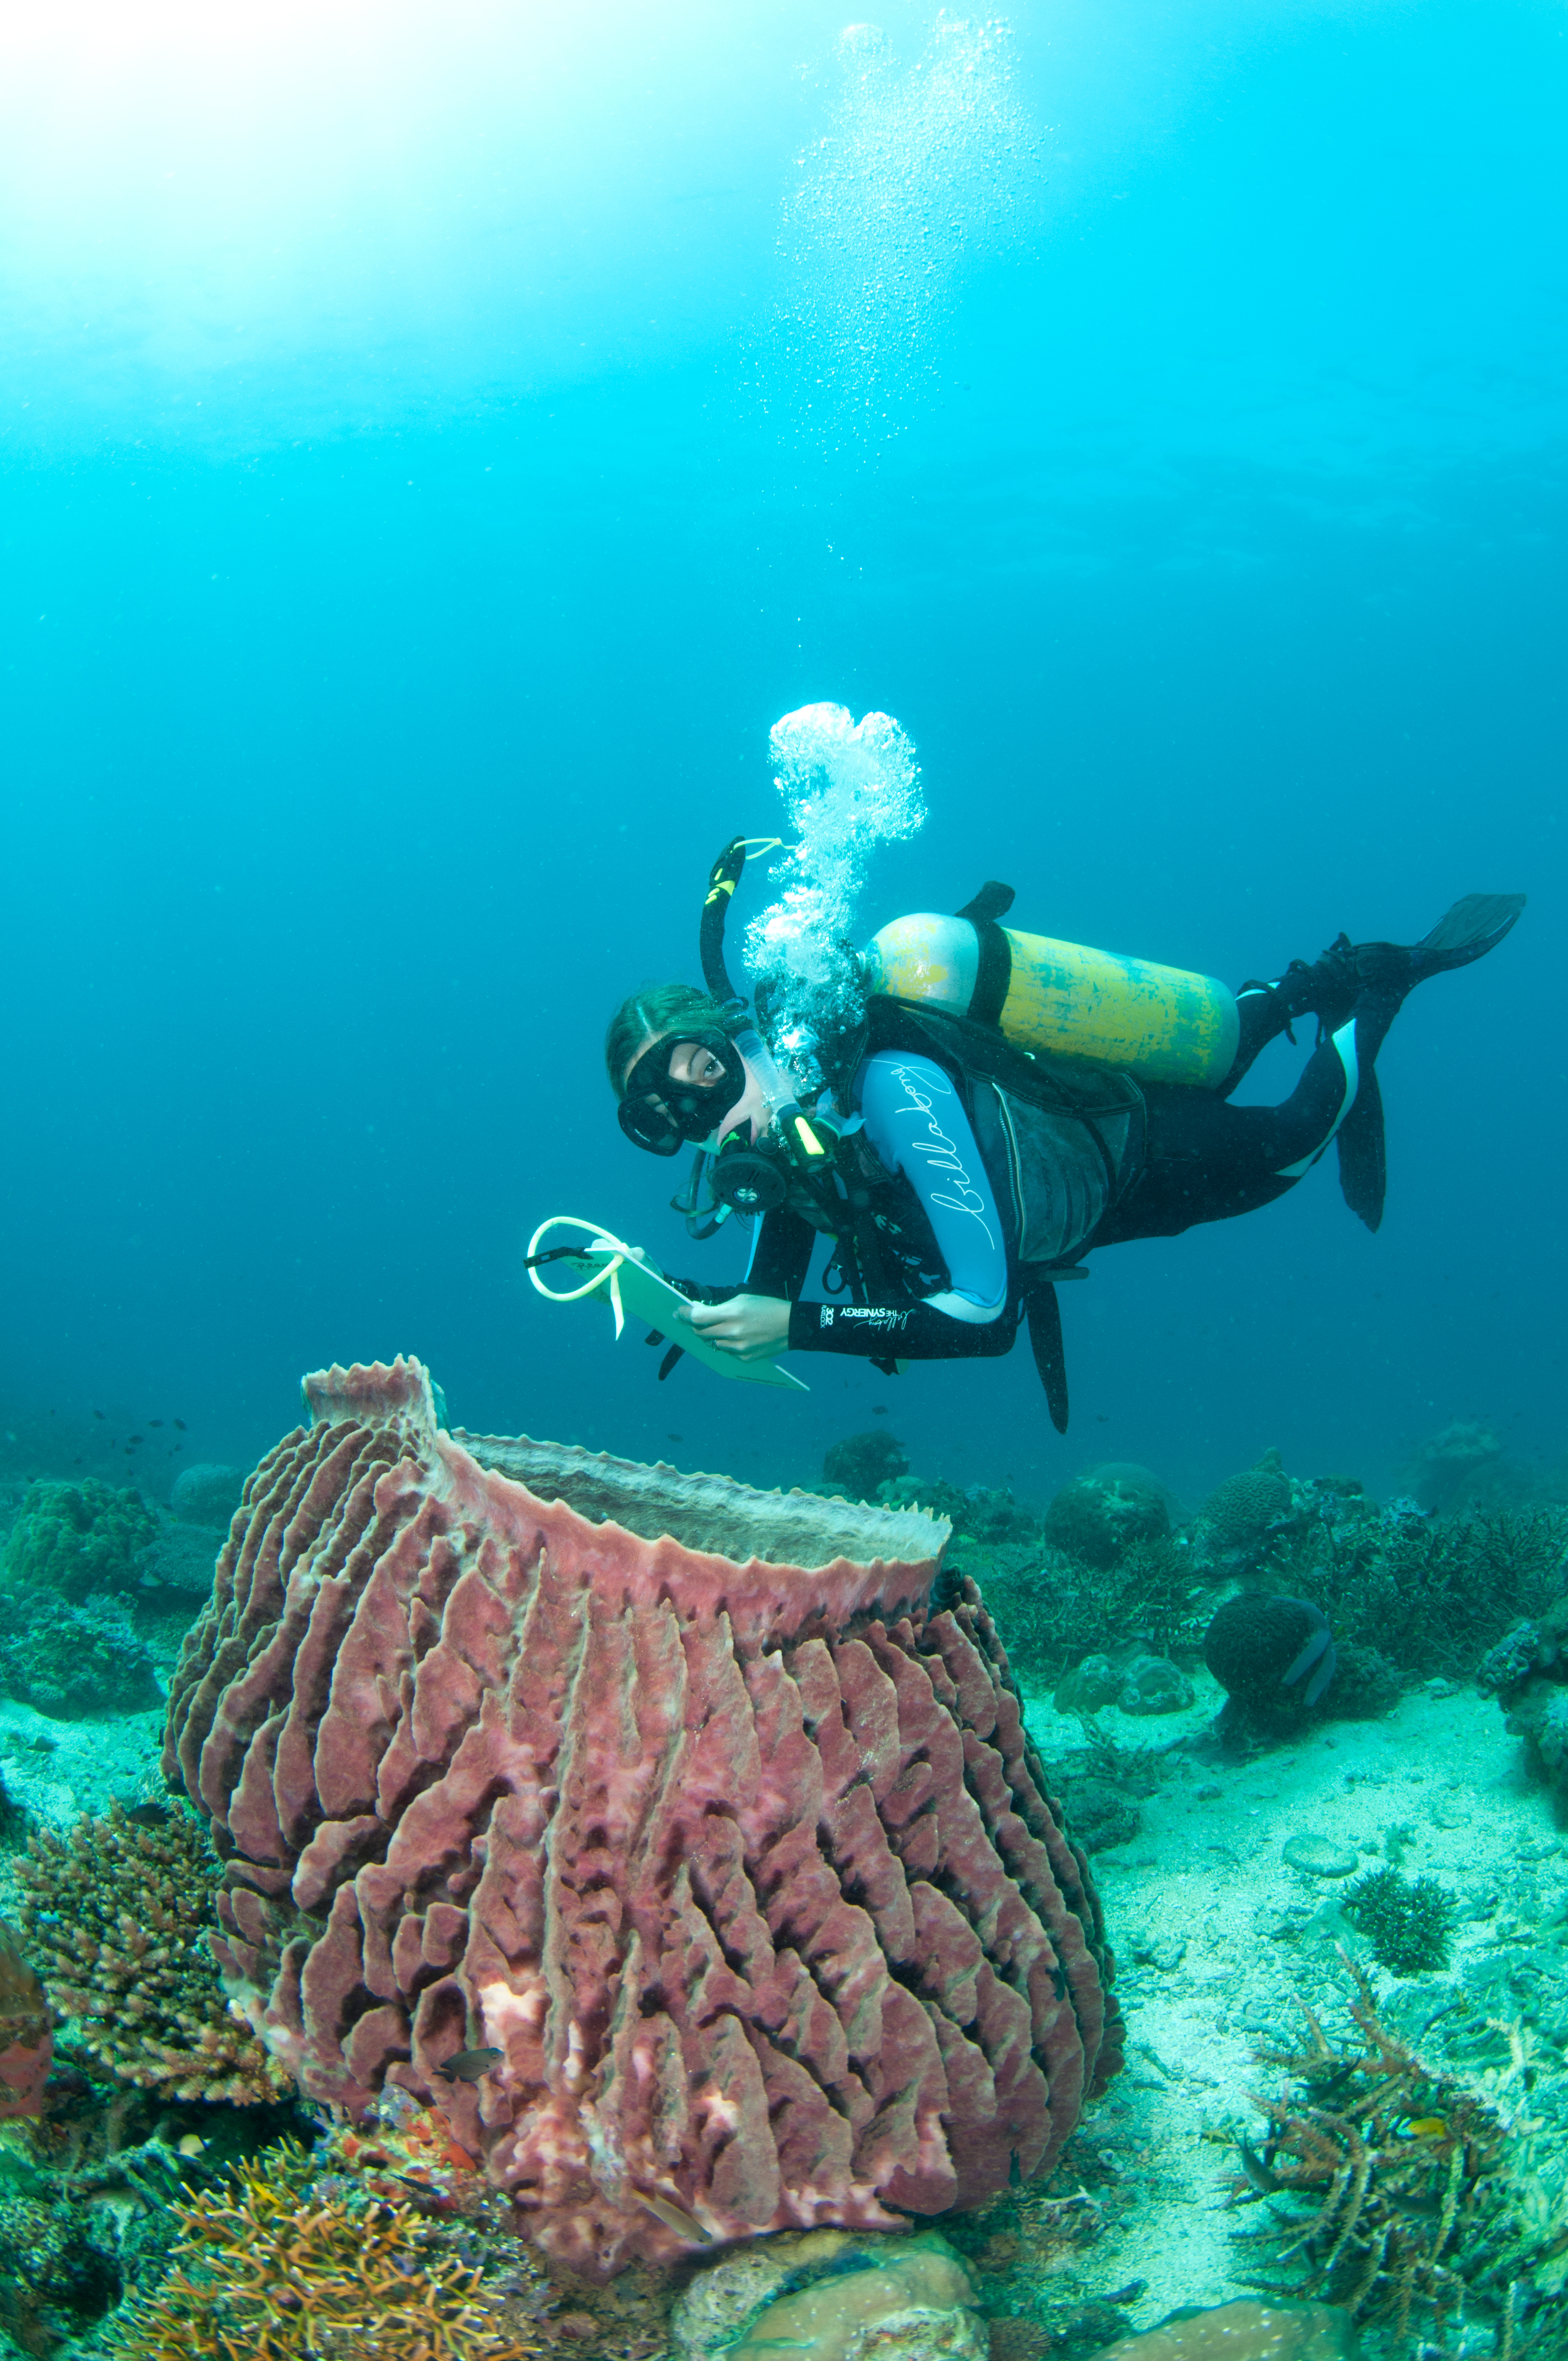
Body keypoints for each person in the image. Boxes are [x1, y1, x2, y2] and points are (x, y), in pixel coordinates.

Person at [604, 883, 1523, 1428]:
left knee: (1294, 1142)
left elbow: (982, 1317)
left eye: (709, 1078)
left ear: (744, 1041)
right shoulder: (789, 1141)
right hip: (1068, 1131)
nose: (710, 1122)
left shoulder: (885, 1083)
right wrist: (712, 1306)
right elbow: (776, 1294)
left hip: (1131, 1163)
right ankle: (1292, 992)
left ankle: (1374, 985)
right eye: (671, 1120)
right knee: (1224, 1047)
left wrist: (794, 1329)